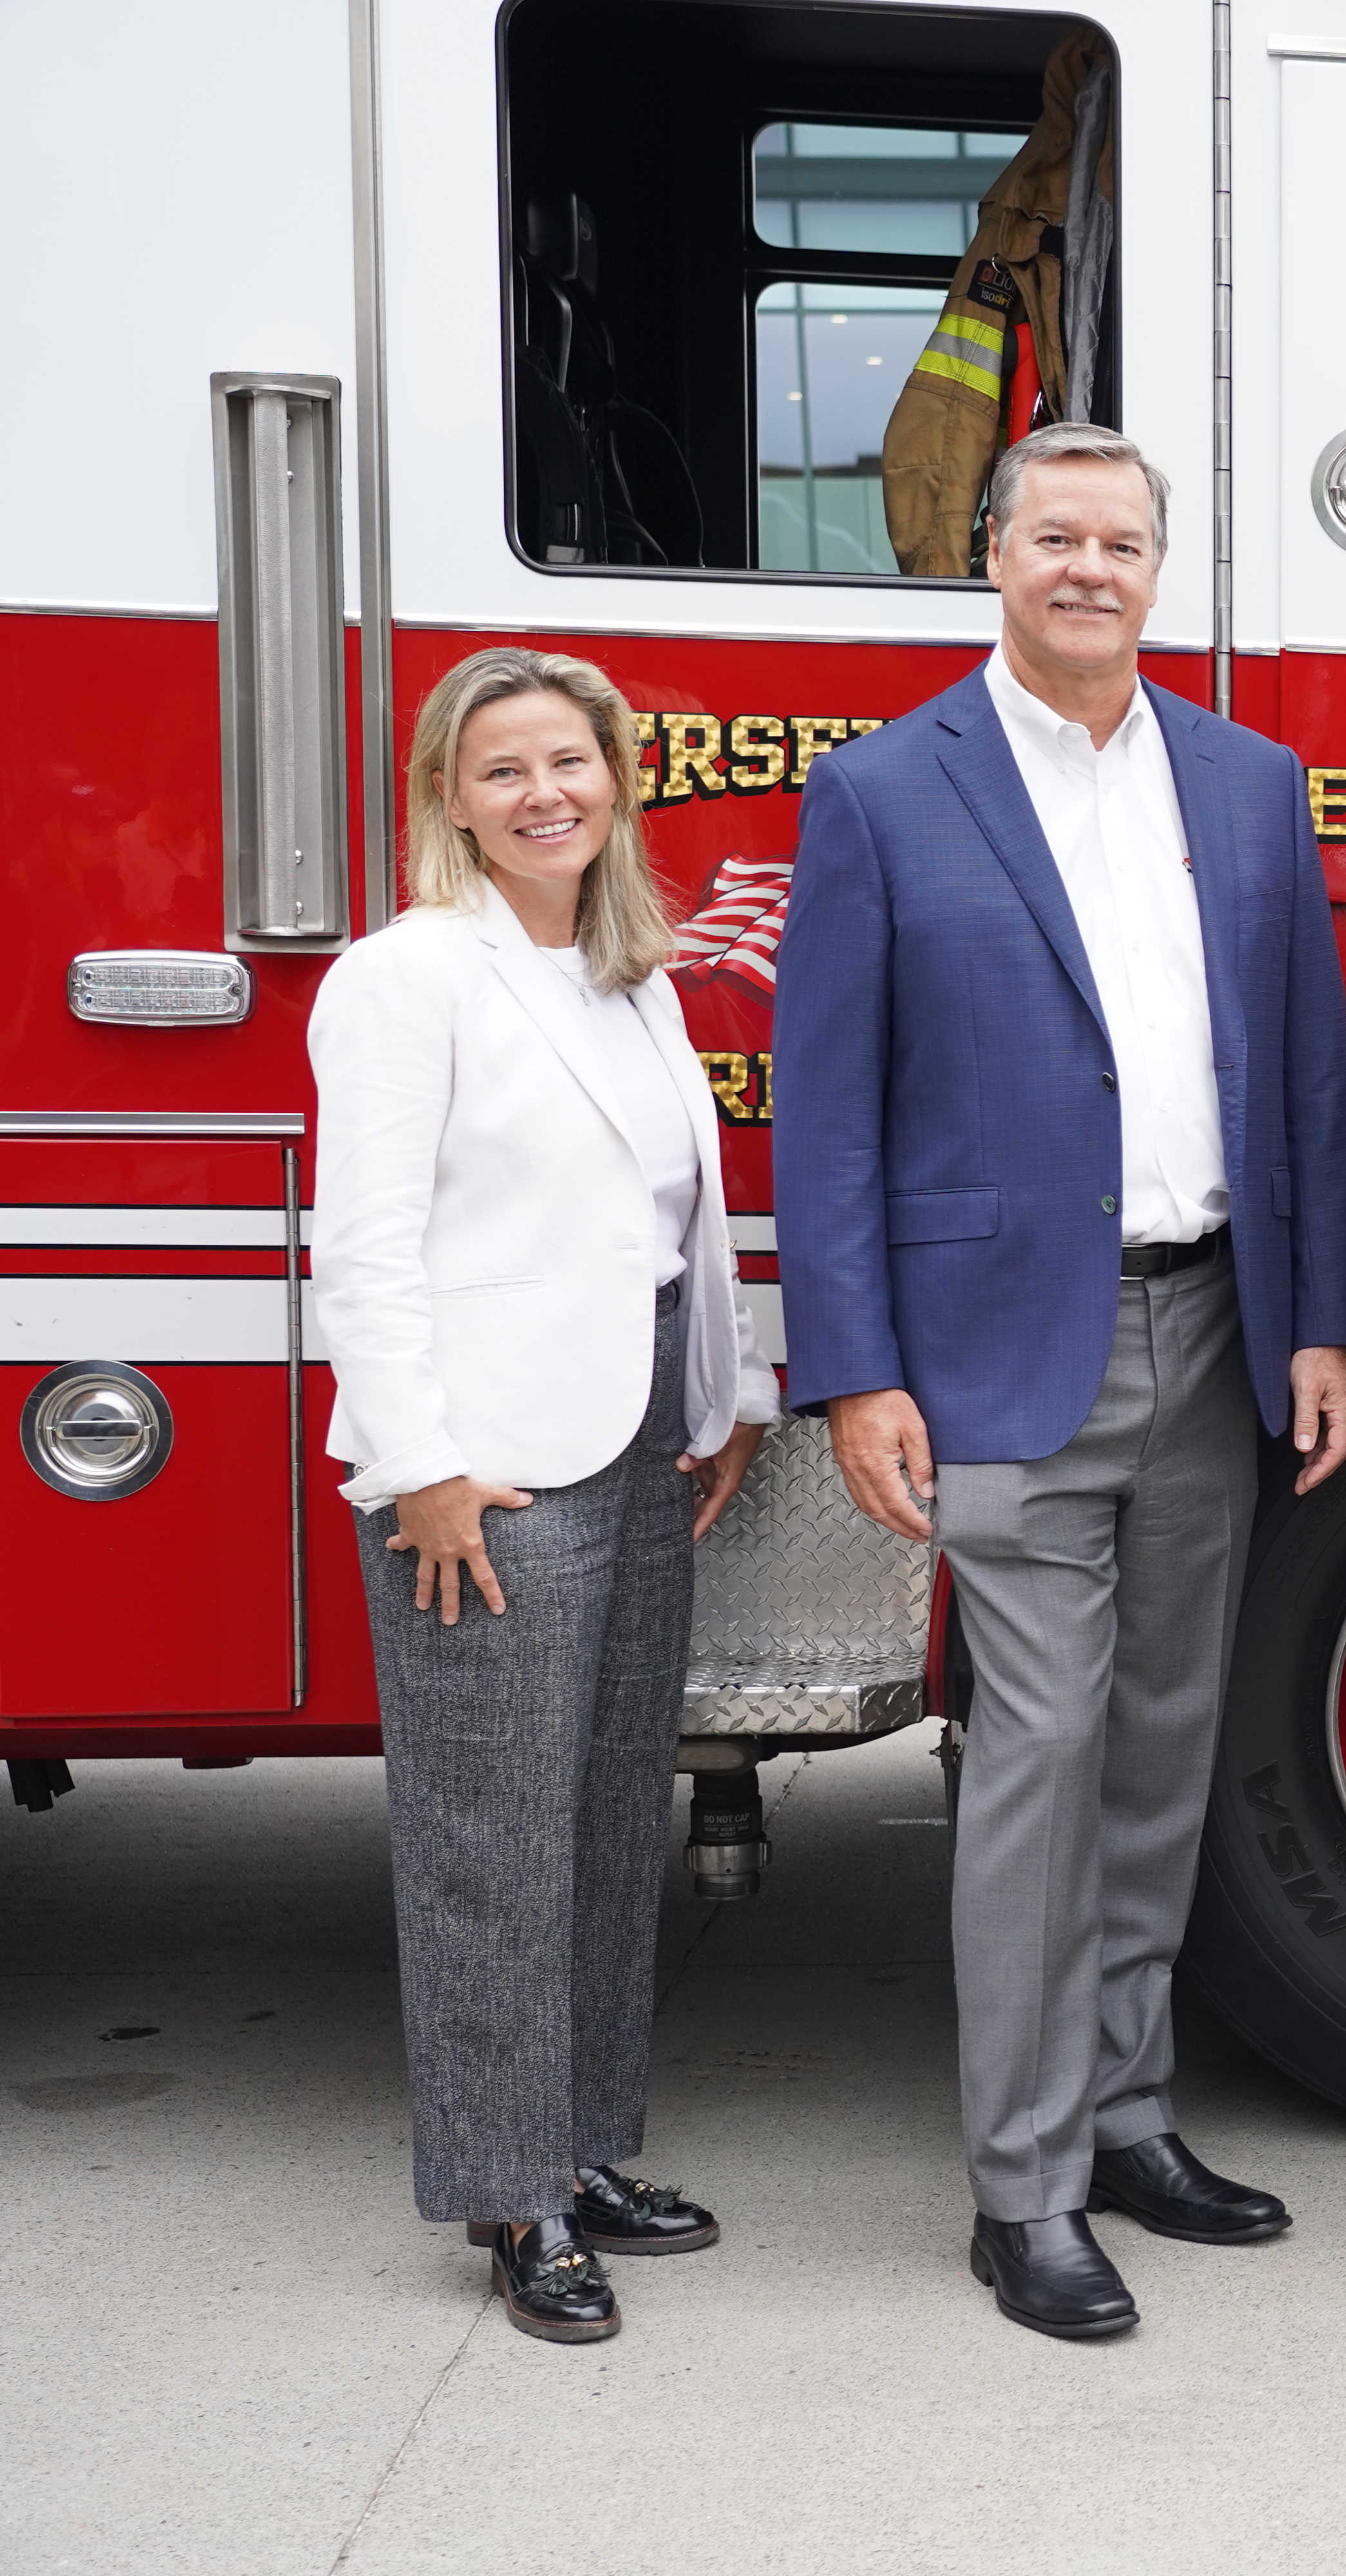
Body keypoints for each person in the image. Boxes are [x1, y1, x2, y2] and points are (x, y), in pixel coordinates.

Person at [774, 422, 1346, 2342]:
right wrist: (855, 1368)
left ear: (1157, 566)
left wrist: (1318, 1320)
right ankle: (1021, 2189)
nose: (1090, 569)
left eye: (1122, 541)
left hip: (1215, 1330)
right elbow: (831, 1110)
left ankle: (1127, 2121)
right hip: (1001, 1350)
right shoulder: (883, 792)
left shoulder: (1249, 785)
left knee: (1161, 1759)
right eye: (1056, 537)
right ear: (995, 554)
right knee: (1036, 1763)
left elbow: (1303, 1082)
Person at [309, 647, 778, 2345]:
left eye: (568, 764)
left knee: (599, 1825)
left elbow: (671, 1222)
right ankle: (513, 2201)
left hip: (642, 1428)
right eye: (502, 771)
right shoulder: (402, 976)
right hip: (489, 1459)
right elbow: (358, 1244)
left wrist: (723, 1395)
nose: (543, 796)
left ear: (615, 782)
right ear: (450, 796)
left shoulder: (624, 973)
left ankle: (583, 2149)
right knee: (485, 1849)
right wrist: (414, 1464)